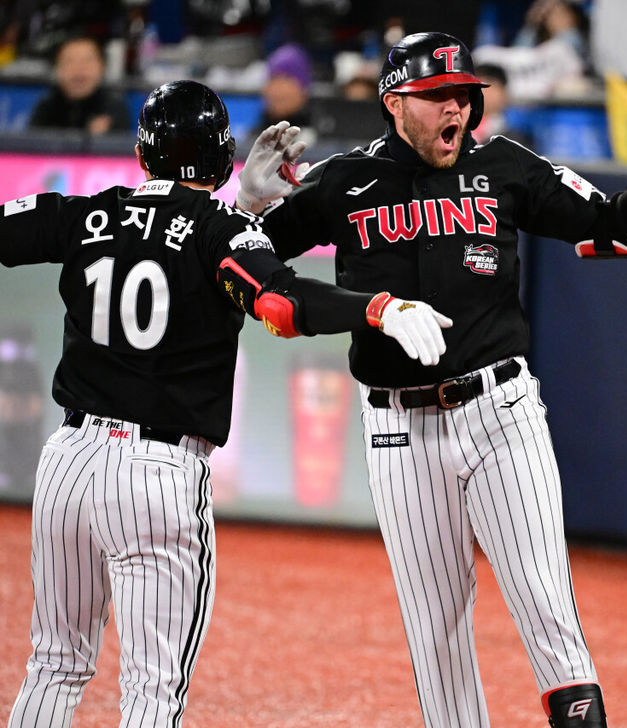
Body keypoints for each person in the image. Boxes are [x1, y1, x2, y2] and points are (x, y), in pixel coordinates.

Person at [234, 30, 627, 728]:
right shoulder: (343, 180)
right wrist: (245, 207)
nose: (457, 108)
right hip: (399, 427)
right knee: (437, 630)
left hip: (501, 413)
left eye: (464, 96)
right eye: (437, 97)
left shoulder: (506, 166)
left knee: (548, 607)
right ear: (395, 102)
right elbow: (245, 261)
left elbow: (615, 231)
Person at [4, 79, 447, 727]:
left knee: (54, 664)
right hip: (156, 473)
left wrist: (243, 209)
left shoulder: (87, 212)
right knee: (153, 692)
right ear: (219, 156)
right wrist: (376, 306)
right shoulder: (221, 231)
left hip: (68, 460)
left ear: (142, 150)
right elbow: (281, 303)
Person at [28, 35, 131, 135]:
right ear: (57, 68)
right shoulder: (45, 109)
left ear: (102, 67)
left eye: (87, 61)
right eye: (70, 61)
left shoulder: (114, 111)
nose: (79, 69)